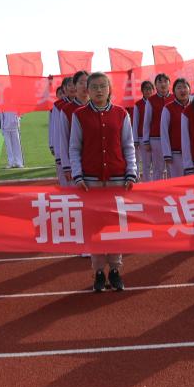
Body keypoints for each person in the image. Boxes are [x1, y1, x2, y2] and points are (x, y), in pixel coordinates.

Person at [69, 72, 137, 292]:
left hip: (117, 178)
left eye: (103, 86)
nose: (99, 90)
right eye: (94, 87)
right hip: (91, 181)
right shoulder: (79, 115)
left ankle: (115, 269)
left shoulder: (121, 114)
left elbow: (128, 145)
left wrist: (131, 171)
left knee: (115, 225)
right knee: (95, 226)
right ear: (87, 90)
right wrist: (78, 175)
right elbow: (74, 148)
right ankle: (98, 271)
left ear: (109, 89)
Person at [56, 71, 89, 186]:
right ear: (75, 86)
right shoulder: (66, 110)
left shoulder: (97, 106)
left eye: (87, 82)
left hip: (94, 163)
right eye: (81, 82)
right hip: (75, 163)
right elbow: (63, 139)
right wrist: (66, 166)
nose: (85, 86)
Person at [143, 73, 173, 180]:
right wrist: (146, 141)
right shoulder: (151, 100)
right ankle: (158, 189)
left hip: (172, 139)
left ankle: (173, 188)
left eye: (165, 81)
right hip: (156, 139)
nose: (163, 84)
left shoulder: (174, 97)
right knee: (158, 168)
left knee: (172, 168)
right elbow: (147, 122)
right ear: (155, 85)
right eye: (160, 82)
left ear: (169, 83)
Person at [160, 78, 191, 178]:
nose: (182, 90)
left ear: (189, 90)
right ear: (173, 92)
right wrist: (167, 153)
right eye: (179, 88)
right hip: (176, 153)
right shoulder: (168, 108)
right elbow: (164, 132)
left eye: (185, 87)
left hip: (193, 153)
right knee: (178, 182)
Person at [132, 80, 155, 182]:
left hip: (155, 138)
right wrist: (135, 140)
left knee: (157, 164)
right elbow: (135, 123)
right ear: (142, 91)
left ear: (153, 90)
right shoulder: (138, 105)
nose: (148, 91)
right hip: (142, 138)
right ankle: (147, 184)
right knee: (146, 164)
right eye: (146, 89)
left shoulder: (156, 103)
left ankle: (156, 184)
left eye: (150, 89)